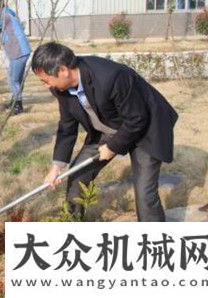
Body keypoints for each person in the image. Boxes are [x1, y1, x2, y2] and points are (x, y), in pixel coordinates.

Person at [31, 42, 178, 222]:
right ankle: (71, 226)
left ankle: (154, 242)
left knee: (144, 194)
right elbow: (67, 127)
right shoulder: (60, 89)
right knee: (77, 176)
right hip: (110, 125)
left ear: (63, 70)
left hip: (146, 127)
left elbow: (137, 118)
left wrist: (113, 146)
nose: (46, 86)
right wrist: (57, 166)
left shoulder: (110, 76)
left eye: (46, 80)